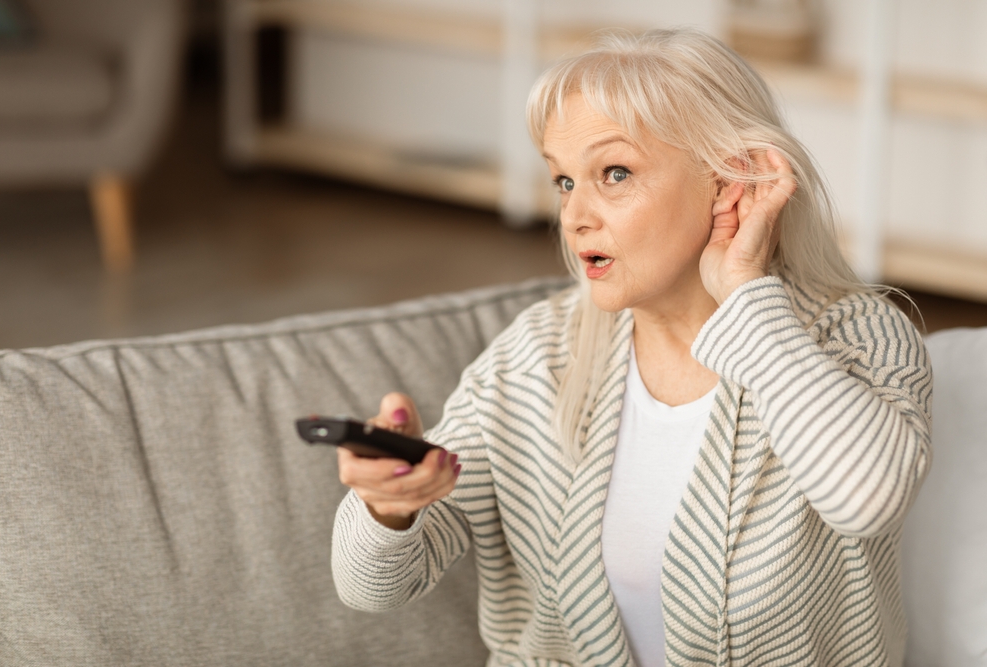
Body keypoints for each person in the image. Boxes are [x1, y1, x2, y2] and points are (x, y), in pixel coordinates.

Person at [331, 28, 932, 667]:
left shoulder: (857, 335)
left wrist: (745, 295)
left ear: (732, 182)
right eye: (564, 181)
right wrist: (386, 508)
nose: (573, 216)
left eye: (614, 173)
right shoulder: (538, 356)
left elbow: (867, 500)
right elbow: (373, 588)